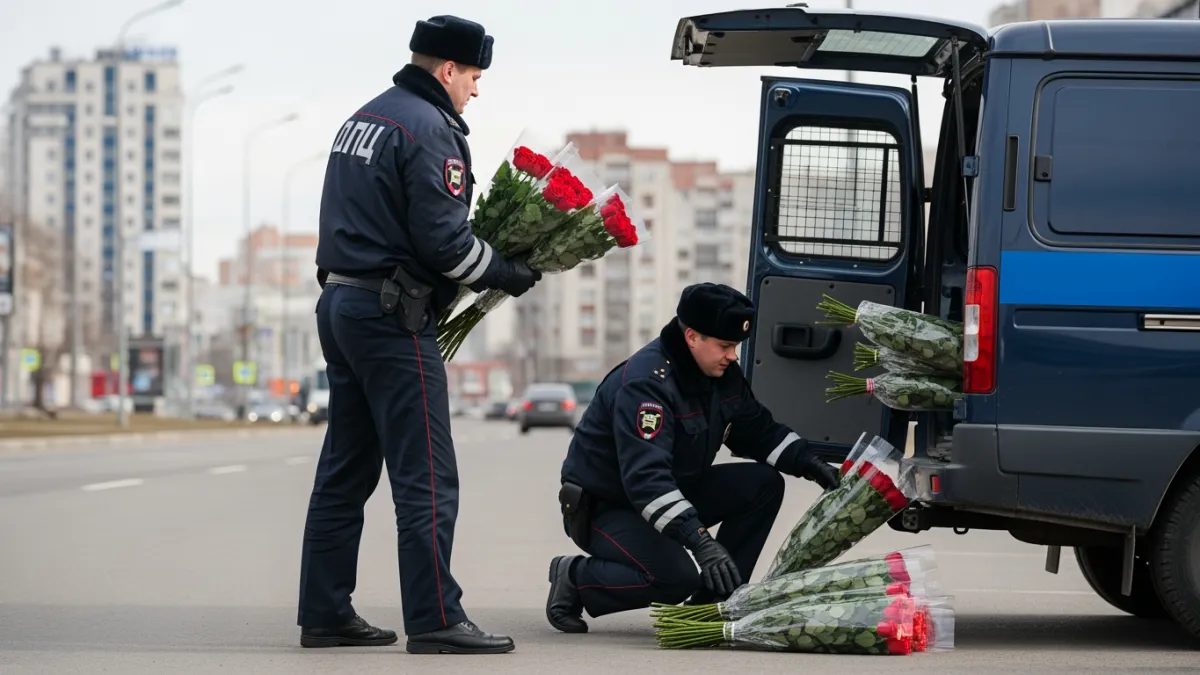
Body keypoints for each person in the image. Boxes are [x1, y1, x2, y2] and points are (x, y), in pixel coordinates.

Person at [297, 15, 539, 655]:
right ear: (449, 70)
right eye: (475, 78)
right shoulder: (430, 128)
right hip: (390, 316)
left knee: (346, 470)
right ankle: (435, 619)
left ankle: (324, 613)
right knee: (427, 473)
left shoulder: (367, 115)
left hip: (342, 304)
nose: (476, 93)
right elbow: (445, 241)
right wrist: (506, 272)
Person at [545, 283, 841, 633]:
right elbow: (646, 481)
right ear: (691, 337)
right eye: (725, 346)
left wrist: (810, 463)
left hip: (670, 494)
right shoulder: (646, 385)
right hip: (608, 507)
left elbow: (757, 429)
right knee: (674, 579)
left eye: (736, 346)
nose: (733, 356)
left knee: (762, 484)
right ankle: (576, 579)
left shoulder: (719, 374)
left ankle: (715, 603)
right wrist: (701, 541)